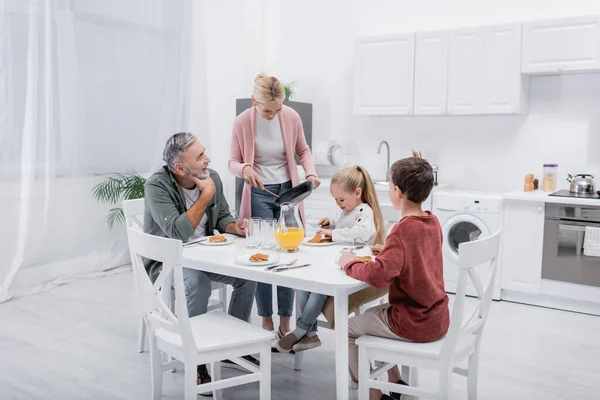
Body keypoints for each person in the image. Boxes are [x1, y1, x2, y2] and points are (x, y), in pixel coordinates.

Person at [144, 132, 258, 390]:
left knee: (248, 274)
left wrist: (235, 227)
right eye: (200, 156)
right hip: (167, 263)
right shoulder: (156, 186)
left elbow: (222, 218)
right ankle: (196, 359)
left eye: (204, 152)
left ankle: (232, 346)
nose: (208, 159)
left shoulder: (211, 177)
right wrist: (205, 195)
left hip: (204, 256)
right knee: (197, 283)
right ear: (179, 167)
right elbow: (177, 232)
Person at [338, 157, 450, 400]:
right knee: (378, 312)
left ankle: (373, 393)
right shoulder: (432, 221)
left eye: (389, 185)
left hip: (414, 322)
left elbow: (377, 276)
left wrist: (349, 263)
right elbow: (417, 259)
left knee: (347, 330)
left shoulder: (402, 230)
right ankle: (396, 381)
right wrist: (388, 252)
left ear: (397, 192)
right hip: (437, 317)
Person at [229, 73, 320, 339]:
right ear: (253, 101)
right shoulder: (242, 121)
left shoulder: (291, 116)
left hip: (288, 191)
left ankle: (286, 321)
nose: (273, 114)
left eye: (277, 109)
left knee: (288, 253)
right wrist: (245, 168)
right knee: (264, 254)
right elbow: (231, 162)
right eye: (267, 111)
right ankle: (266, 320)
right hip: (259, 192)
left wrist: (311, 174)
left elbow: (303, 151)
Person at [275, 165, 387, 353]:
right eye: (336, 200)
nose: (339, 204)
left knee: (319, 287)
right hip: (338, 262)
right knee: (304, 280)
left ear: (358, 193)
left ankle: (302, 329)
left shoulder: (365, 211)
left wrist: (333, 233)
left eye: (341, 199)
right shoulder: (349, 210)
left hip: (352, 266)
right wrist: (332, 222)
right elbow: (345, 224)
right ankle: (310, 335)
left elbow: (363, 232)